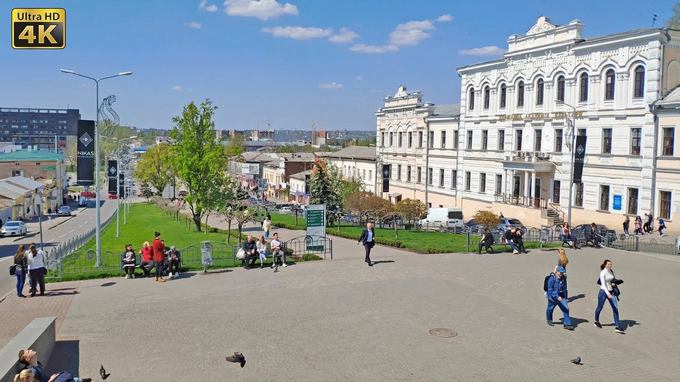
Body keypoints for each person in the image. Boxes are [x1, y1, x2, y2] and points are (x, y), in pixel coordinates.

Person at [18, 349, 91, 382]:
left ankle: (79, 380)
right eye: (28, 351)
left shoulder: (37, 364)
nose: (31, 350)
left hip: (51, 379)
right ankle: (79, 380)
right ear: (28, 359)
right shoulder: (31, 371)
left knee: (63, 374)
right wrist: (51, 379)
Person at [594, 259, 625, 334]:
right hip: (603, 292)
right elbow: (603, 284)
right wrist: (607, 293)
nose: (610, 266)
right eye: (608, 264)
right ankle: (596, 321)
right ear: (605, 265)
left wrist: (614, 283)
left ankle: (617, 326)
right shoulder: (602, 273)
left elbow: (612, 280)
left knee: (615, 308)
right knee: (600, 307)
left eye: (610, 264)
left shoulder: (611, 271)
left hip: (612, 292)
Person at [546, 266, 574, 330]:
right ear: (557, 272)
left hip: (561, 297)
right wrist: (556, 296)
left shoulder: (563, 278)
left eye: (562, 272)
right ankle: (549, 320)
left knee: (566, 309)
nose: (561, 273)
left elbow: (565, 288)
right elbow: (549, 290)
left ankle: (567, 324)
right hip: (552, 298)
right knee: (550, 309)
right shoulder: (551, 279)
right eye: (560, 272)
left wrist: (565, 297)